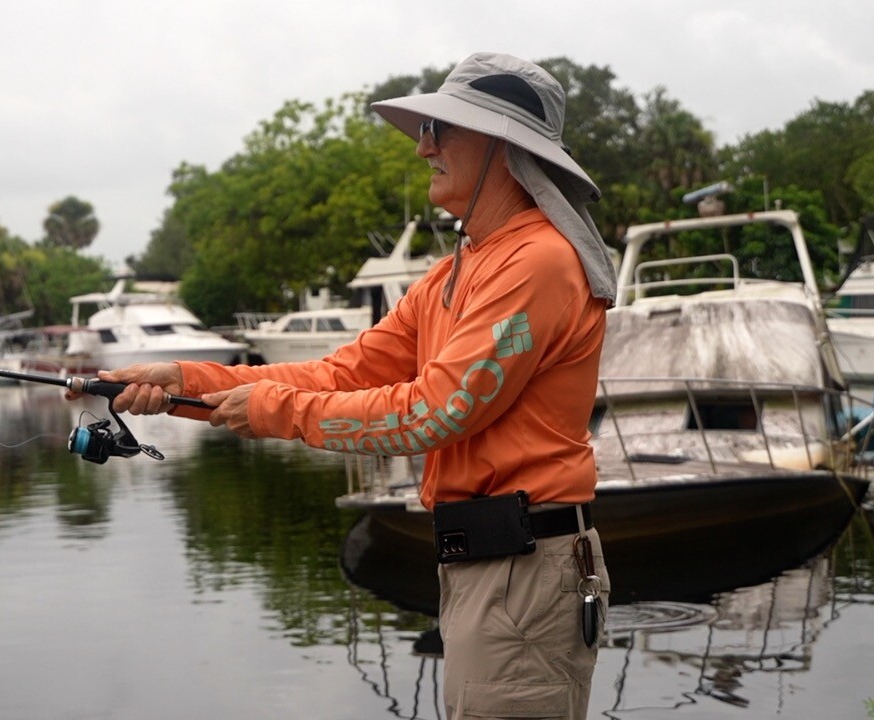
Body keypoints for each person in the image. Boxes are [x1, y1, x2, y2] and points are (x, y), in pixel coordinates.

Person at [68, 52, 616, 720]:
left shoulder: (537, 261)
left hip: (525, 573)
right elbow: (339, 374)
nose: (423, 148)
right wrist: (183, 381)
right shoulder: (458, 270)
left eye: (442, 130)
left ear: (504, 147)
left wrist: (271, 410)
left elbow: (436, 412)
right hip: (491, 569)